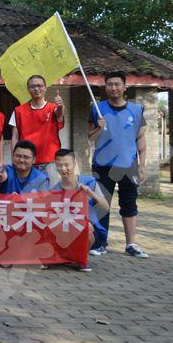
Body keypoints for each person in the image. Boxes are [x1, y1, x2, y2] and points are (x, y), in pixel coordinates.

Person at [87, 71, 148, 258]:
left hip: (128, 165)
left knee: (129, 204)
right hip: (102, 164)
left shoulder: (136, 110)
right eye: (110, 84)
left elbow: (140, 137)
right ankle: (100, 243)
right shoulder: (97, 108)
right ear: (105, 87)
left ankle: (131, 244)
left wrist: (142, 164)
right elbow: (90, 137)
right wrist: (99, 127)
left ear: (124, 87)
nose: (113, 88)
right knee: (101, 204)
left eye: (117, 84)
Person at [51, 149, 110, 271]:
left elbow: (105, 207)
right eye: (59, 165)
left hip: (90, 230)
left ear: (74, 164)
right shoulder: (54, 190)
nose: (63, 169)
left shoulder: (89, 182)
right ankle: (65, 256)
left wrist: (91, 193)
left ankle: (81, 259)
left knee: (87, 228)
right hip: (65, 227)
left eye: (66, 164)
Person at [9, 75, 65, 167]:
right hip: (26, 160)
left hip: (50, 160)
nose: (36, 89)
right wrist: (14, 159)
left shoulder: (53, 108)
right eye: (32, 86)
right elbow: (14, 138)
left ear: (45, 88)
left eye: (40, 86)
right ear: (28, 89)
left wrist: (61, 106)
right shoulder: (18, 111)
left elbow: (59, 115)